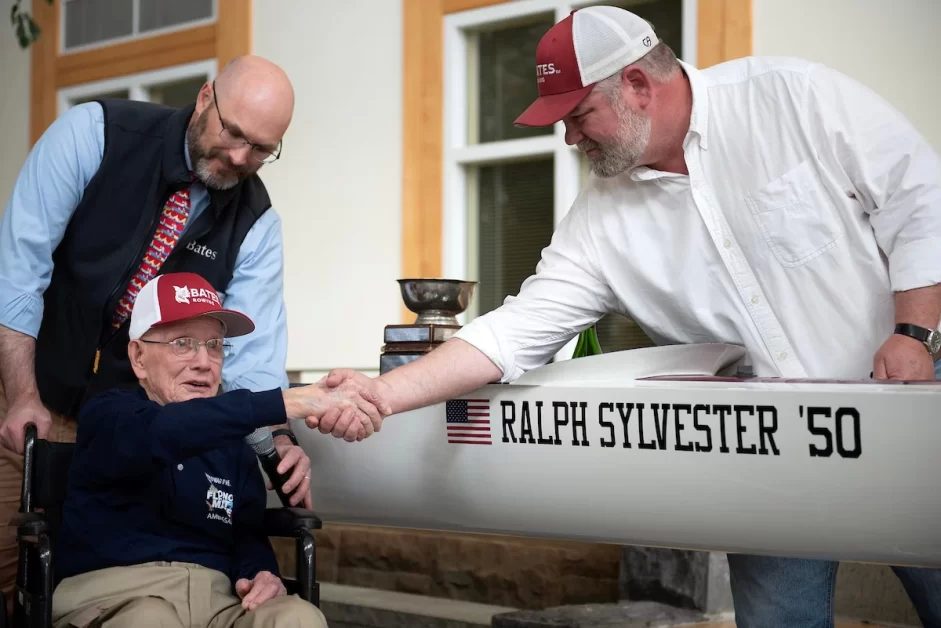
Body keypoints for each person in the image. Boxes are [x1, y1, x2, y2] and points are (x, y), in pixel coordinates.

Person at [316, 6, 941, 626]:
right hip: (774, 458)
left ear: (638, 86)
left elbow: (920, 198)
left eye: (578, 115)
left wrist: (914, 332)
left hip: (912, 417)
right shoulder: (600, 219)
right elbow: (512, 331)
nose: (568, 138)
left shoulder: (793, 98)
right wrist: (380, 395)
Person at [0, 55, 372, 598]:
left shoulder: (258, 222)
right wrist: (20, 393)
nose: (240, 157)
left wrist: (279, 443)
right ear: (205, 97)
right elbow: (19, 273)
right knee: (11, 572)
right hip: (33, 394)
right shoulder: (94, 134)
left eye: (263, 150)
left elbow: (251, 360)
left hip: (146, 429)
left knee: (113, 584)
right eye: (233, 133)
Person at [50, 271, 370, 627]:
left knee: (297, 617)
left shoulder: (232, 442)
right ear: (138, 357)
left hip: (217, 600)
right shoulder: (109, 414)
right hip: (117, 596)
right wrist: (284, 402)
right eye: (182, 343)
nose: (204, 362)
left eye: (215, 345)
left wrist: (261, 573)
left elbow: (247, 535)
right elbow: (165, 432)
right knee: (149, 621)